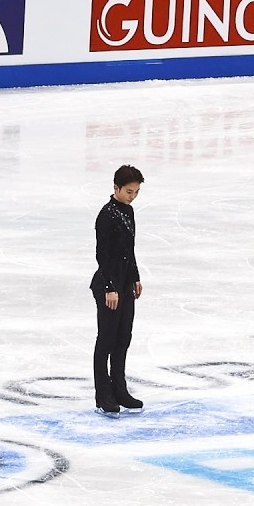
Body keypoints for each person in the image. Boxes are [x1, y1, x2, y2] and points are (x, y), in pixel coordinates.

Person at [90, 165, 146, 417]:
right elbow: (102, 254)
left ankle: (120, 389)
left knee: (123, 337)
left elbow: (129, 249)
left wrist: (134, 277)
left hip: (124, 283)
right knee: (107, 339)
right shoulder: (106, 215)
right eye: (128, 192)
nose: (132, 196)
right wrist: (110, 288)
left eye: (135, 192)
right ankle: (103, 394)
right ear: (115, 188)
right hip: (108, 286)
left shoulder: (129, 211)